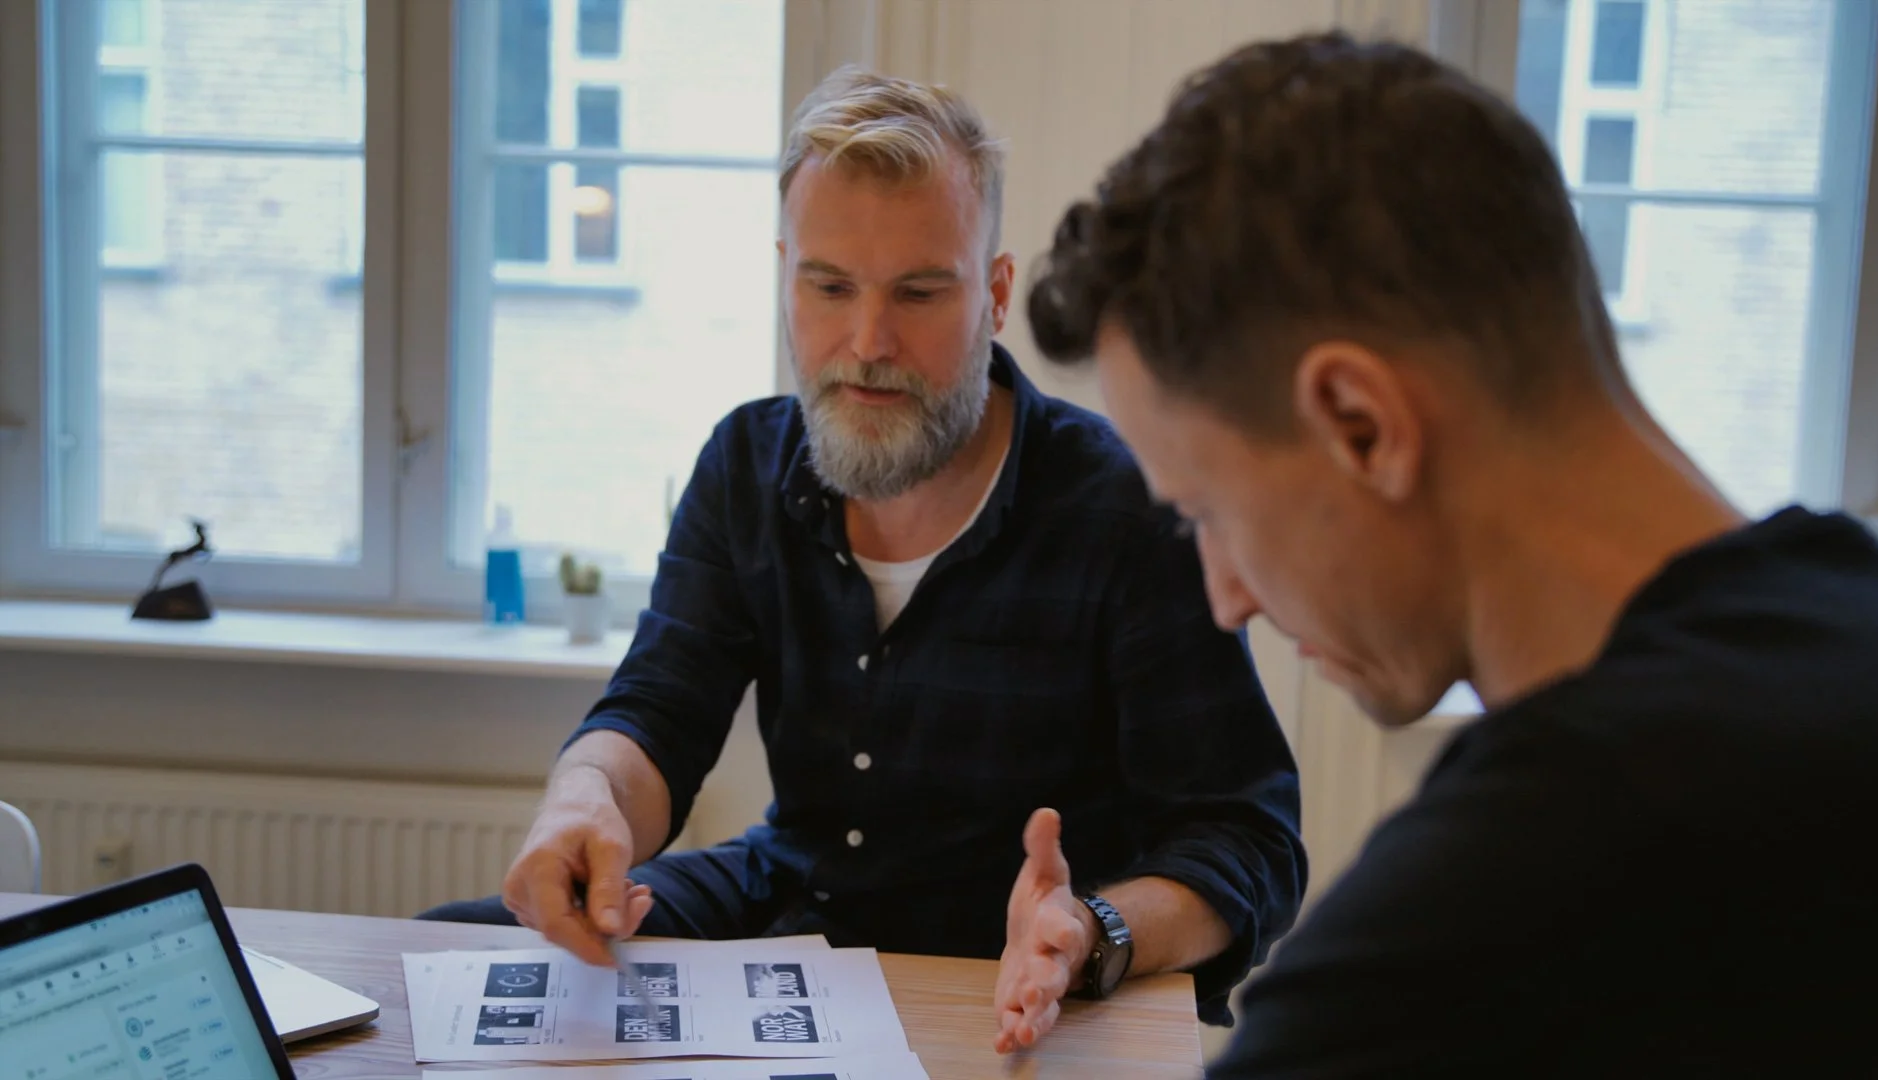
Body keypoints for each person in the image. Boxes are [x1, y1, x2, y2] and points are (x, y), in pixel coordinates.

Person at [1028, 31, 1878, 1077]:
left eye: (1208, 512)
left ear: (1362, 424)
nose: (1225, 599)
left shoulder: (1519, 890)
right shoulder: (1876, 631)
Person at [421, 67, 1306, 1049]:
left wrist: (1093, 932)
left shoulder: (1122, 507)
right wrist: (580, 803)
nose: (867, 340)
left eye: (920, 292)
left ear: (996, 294)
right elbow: (658, 715)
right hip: (797, 899)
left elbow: (1248, 840)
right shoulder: (747, 464)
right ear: (784, 276)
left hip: (1022, 965)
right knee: (457, 963)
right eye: (829, 286)